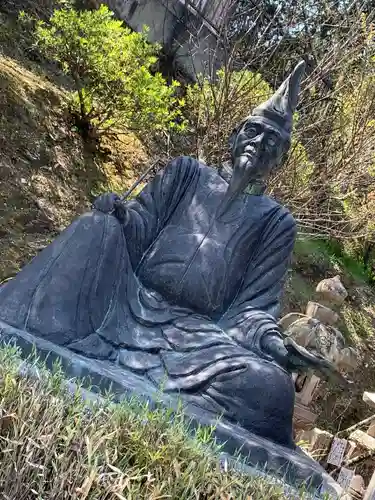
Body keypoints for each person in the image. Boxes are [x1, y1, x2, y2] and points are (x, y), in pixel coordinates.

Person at [0, 61, 342, 447]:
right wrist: (120, 215)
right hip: (127, 301)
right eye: (252, 131)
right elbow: (140, 226)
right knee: (93, 227)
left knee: (271, 389)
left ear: (280, 159)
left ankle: (176, 391)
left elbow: (253, 308)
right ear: (234, 135)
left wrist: (275, 345)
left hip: (198, 340)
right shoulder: (186, 173)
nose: (258, 144)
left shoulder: (276, 222)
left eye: (271, 143)